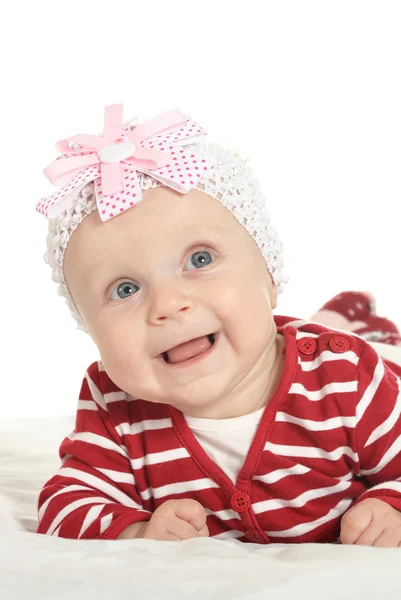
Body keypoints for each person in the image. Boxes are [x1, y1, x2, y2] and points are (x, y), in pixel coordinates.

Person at [35, 104, 401, 546]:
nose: (168, 305)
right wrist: (137, 529)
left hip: (371, 355)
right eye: (125, 289)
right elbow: (65, 503)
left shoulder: (346, 378)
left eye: (200, 260)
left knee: (376, 345)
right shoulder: (114, 403)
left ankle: (355, 319)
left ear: (268, 275)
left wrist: (390, 503)